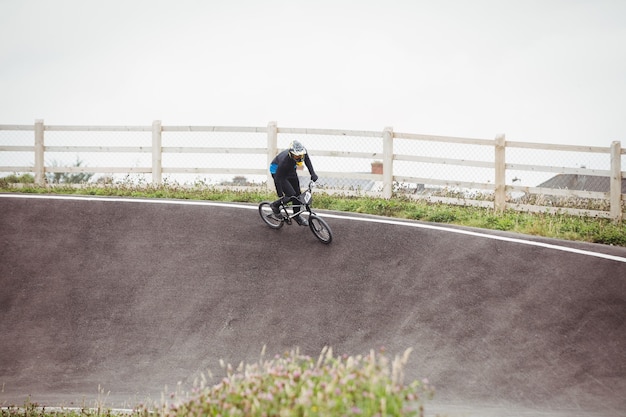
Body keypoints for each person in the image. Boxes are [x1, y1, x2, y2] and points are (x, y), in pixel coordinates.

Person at [269, 140, 319, 226]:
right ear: (291, 154)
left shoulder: (302, 151)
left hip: (291, 169)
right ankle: (275, 205)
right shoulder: (285, 161)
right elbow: (278, 179)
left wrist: (313, 174)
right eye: (296, 157)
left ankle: (297, 216)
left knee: (298, 195)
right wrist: (280, 194)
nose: (299, 158)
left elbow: (307, 161)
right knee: (291, 195)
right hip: (278, 172)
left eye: (301, 156)